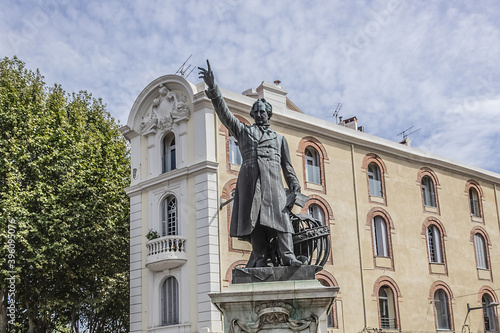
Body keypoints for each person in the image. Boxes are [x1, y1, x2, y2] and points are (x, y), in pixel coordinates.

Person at [199, 60, 302, 267]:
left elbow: (287, 166)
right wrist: (213, 88)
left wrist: (294, 184)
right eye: (256, 112)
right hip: (250, 182)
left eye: (263, 112)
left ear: (269, 114)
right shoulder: (245, 132)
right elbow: (225, 116)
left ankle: (288, 256)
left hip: (273, 184)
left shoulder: (279, 139)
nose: (259, 115)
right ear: (253, 115)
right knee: (255, 222)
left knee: (281, 221)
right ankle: (260, 258)